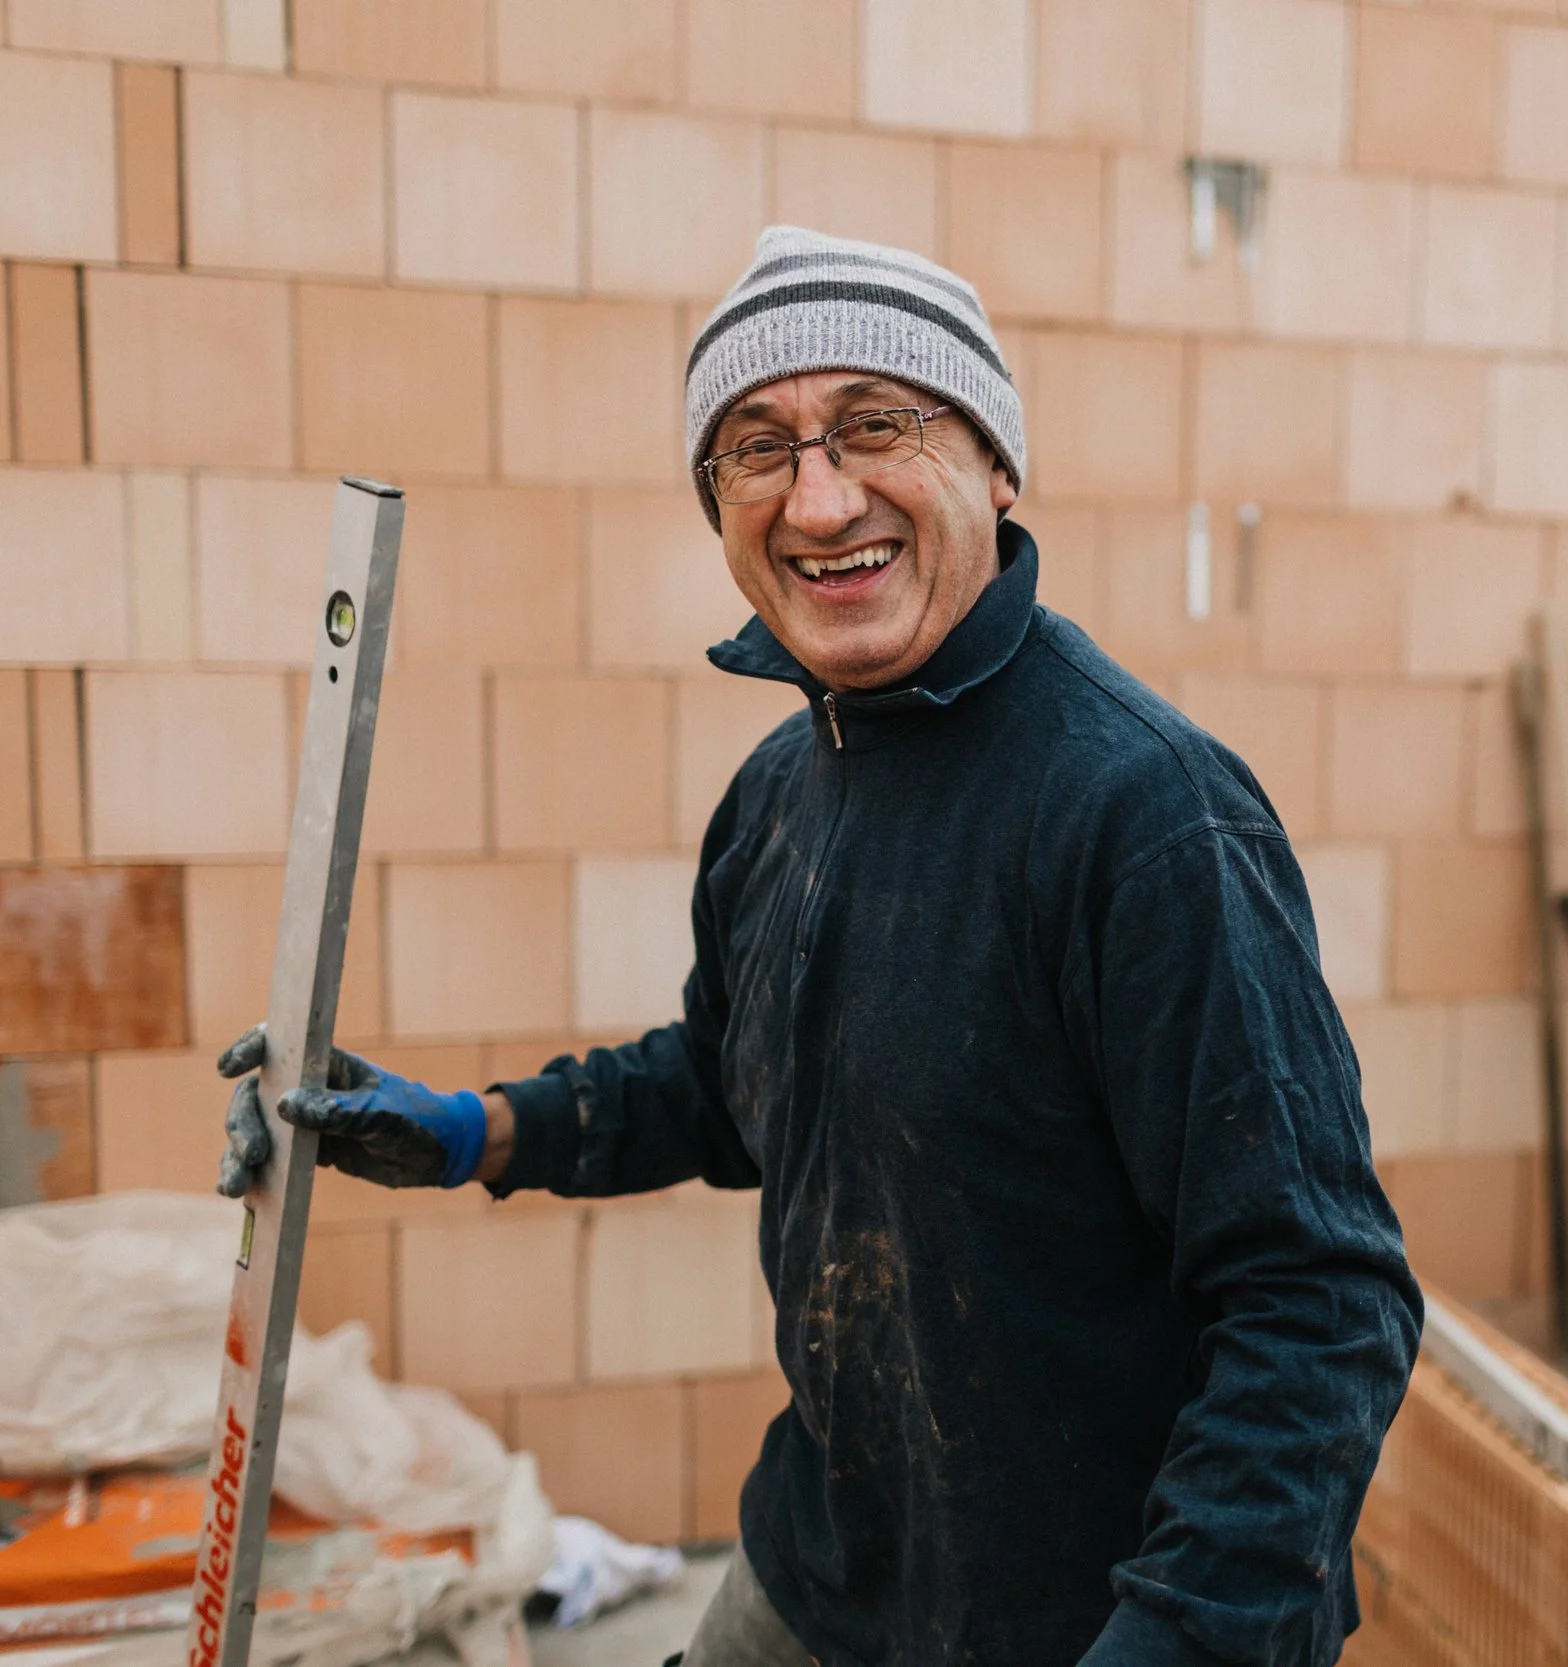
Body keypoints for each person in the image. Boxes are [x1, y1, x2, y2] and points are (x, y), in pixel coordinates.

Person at [217, 227, 1423, 1667]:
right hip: (826, 1574)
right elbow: (738, 1082)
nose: (821, 495)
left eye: (875, 424)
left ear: (996, 465)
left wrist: (1182, 1637)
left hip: (1096, 1615)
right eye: (757, 447)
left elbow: (1321, 1300)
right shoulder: (783, 793)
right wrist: (480, 1129)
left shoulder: (1144, 816)